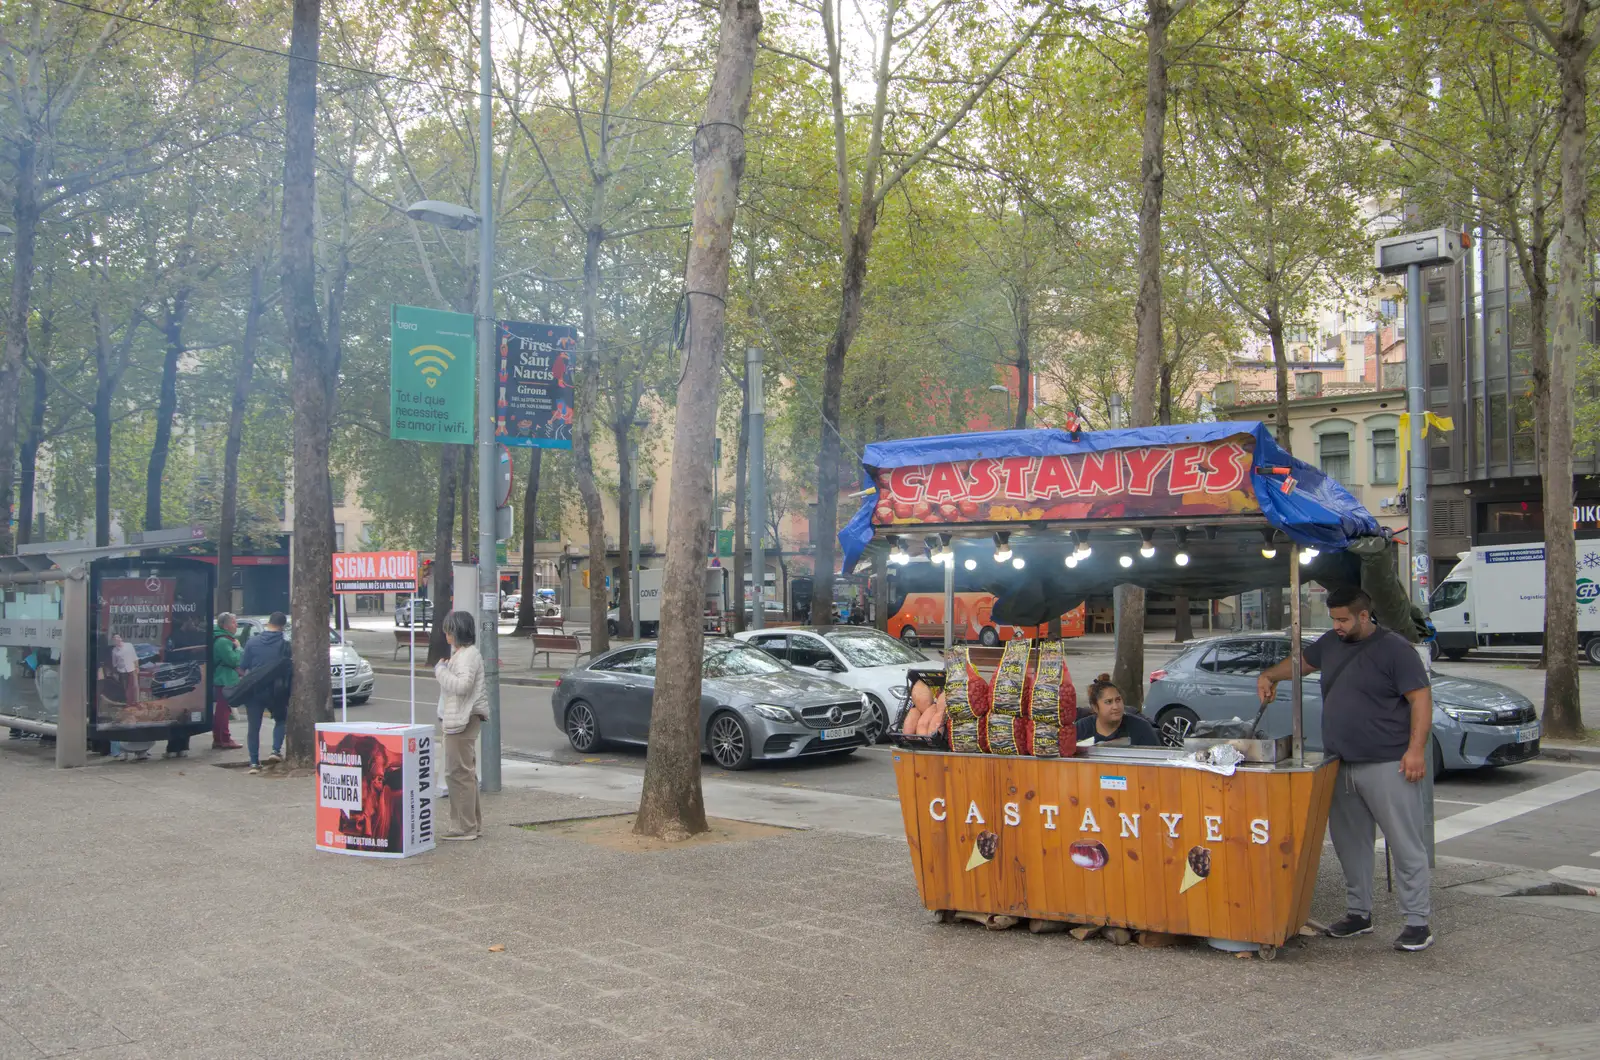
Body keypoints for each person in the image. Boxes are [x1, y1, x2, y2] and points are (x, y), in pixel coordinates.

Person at [1256, 585, 1435, 952]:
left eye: (1343, 619)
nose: (1336, 625)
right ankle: (1359, 913)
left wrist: (1415, 750)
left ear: (1364, 616)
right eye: (1333, 618)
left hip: (1388, 761)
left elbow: (1421, 699)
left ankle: (1417, 920)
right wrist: (1269, 676)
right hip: (1340, 761)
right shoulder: (1330, 643)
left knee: (1405, 843)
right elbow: (1300, 663)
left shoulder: (1396, 650)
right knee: (1350, 844)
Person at [434, 610, 488, 841]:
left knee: (458, 774)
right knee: (464, 773)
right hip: (462, 719)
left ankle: (465, 827)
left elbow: (463, 686)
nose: (446, 635)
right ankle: (470, 824)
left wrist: (440, 672)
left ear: (455, 632)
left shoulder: (467, 656)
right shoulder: (466, 654)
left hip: (462, 721)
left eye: (448, 630)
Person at [238, 612, 292, 775]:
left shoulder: (252, 643)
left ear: (269, 623)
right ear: (282, 627)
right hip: (276, 690)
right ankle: (275, 751)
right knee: (281, 720)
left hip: (254, 690)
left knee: (253, 727)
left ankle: (254, 762)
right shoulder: (285, 646)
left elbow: (243, 666)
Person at [1075, 674, 1162, 747]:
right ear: (1095, 707)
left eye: (1118, 700)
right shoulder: (1081, 728)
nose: (1116, 706)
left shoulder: (1141, 728)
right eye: (1108, 702)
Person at [210, 613, 244, 751]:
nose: (236, 626)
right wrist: (239, 648)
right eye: (234, 623)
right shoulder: (223, 641)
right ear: (226, 625)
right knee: (223, 711)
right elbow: (233, 660)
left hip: (225, 678)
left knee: (223, 710)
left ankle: (221, 738)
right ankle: (223, 739)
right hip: (224, 679)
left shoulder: (223, 639)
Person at [110, 634, 140, 712]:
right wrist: (115, 672)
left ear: (121, 638)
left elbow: (135, 657)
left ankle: (137, 702)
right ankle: (129, 703)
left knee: (135, 686)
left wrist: (137, 667)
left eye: (118, 637)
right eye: (115, 638)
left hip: (132, 668)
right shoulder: (114, 651)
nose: (117, 639)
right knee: (126, 687)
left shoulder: (129, 645)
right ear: (113, 641)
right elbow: (114, 663)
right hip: (122, 670)